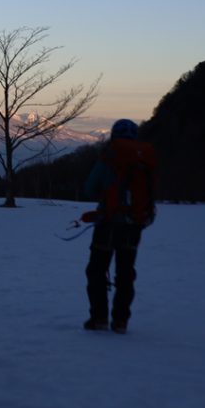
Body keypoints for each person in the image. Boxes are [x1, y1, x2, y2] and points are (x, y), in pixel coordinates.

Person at [82, 119, 158, 334]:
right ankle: (121, 321)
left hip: (108, 223)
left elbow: (89, 188)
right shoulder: (145, 159)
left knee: (97, 269)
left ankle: (99, 318)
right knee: (125, 273)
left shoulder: (109, 156)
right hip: (134, 224)